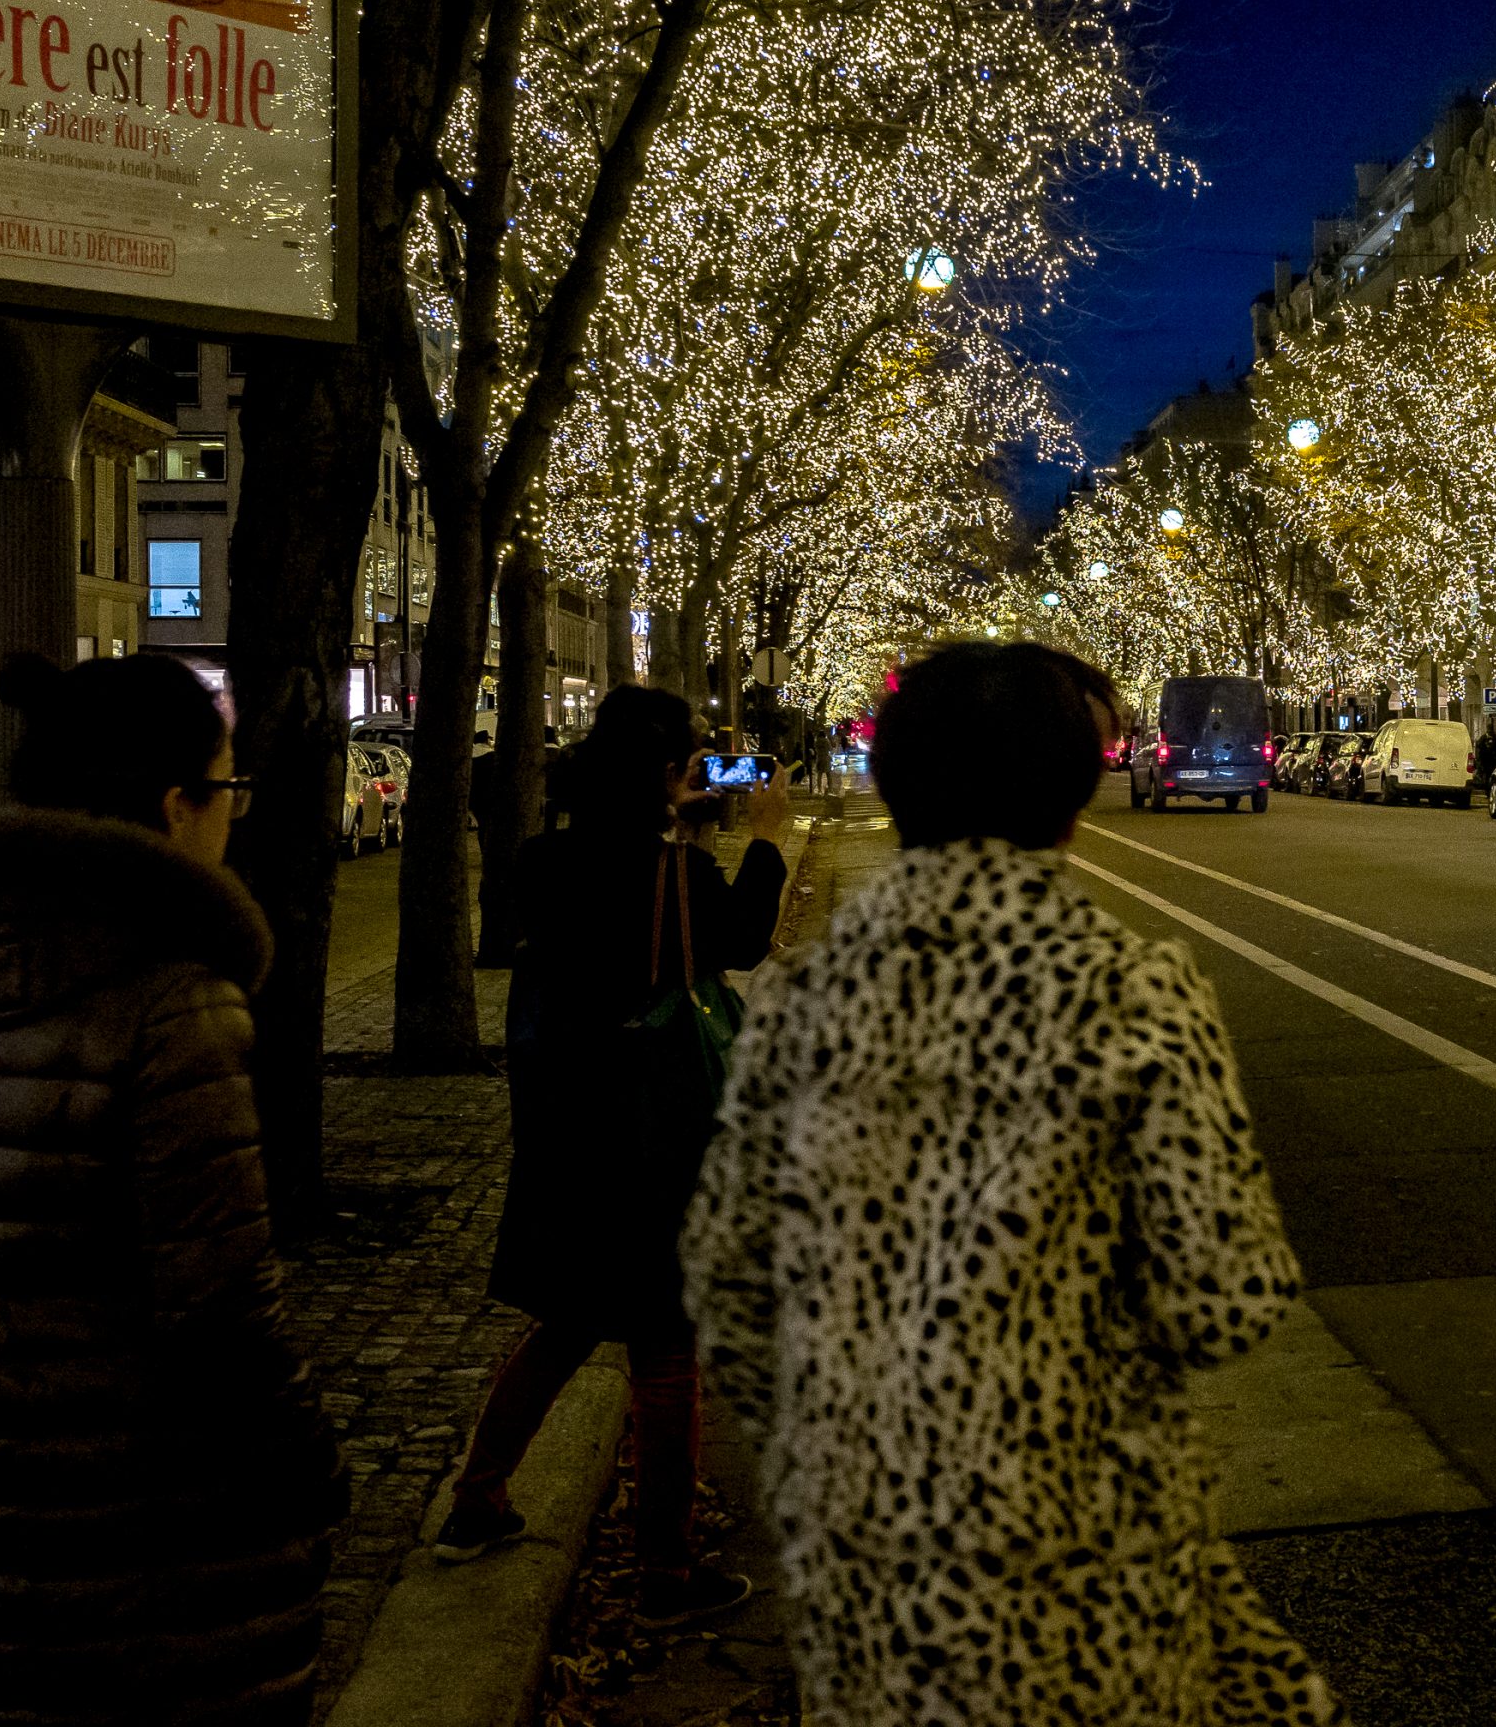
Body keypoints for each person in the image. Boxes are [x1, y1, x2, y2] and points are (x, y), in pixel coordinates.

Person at [682, 640, 1339, 1727]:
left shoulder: (804, 1000)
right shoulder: (1132, 992)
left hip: (873, 1578)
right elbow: (1226, 1299)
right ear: (1072, 793)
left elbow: (729, 1281)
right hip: (1086, 1560)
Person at [0, 652, 343, 1727]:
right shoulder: (172, 1006)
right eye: (227, 788)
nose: (233, 814)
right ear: (175, 807)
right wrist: (310, 1472)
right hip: (160, 1549)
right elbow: (223, 1314)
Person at [437, 684, 790, 1626]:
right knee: (668, 1350)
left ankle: (476, 1500)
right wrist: (764, 836)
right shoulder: (679, 876)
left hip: (569, 1129)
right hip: (658, 1136)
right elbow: (740, 943)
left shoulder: (543, 861)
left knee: (564, 1322)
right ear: (670, 775)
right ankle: (668, 1575)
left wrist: (684, 839)